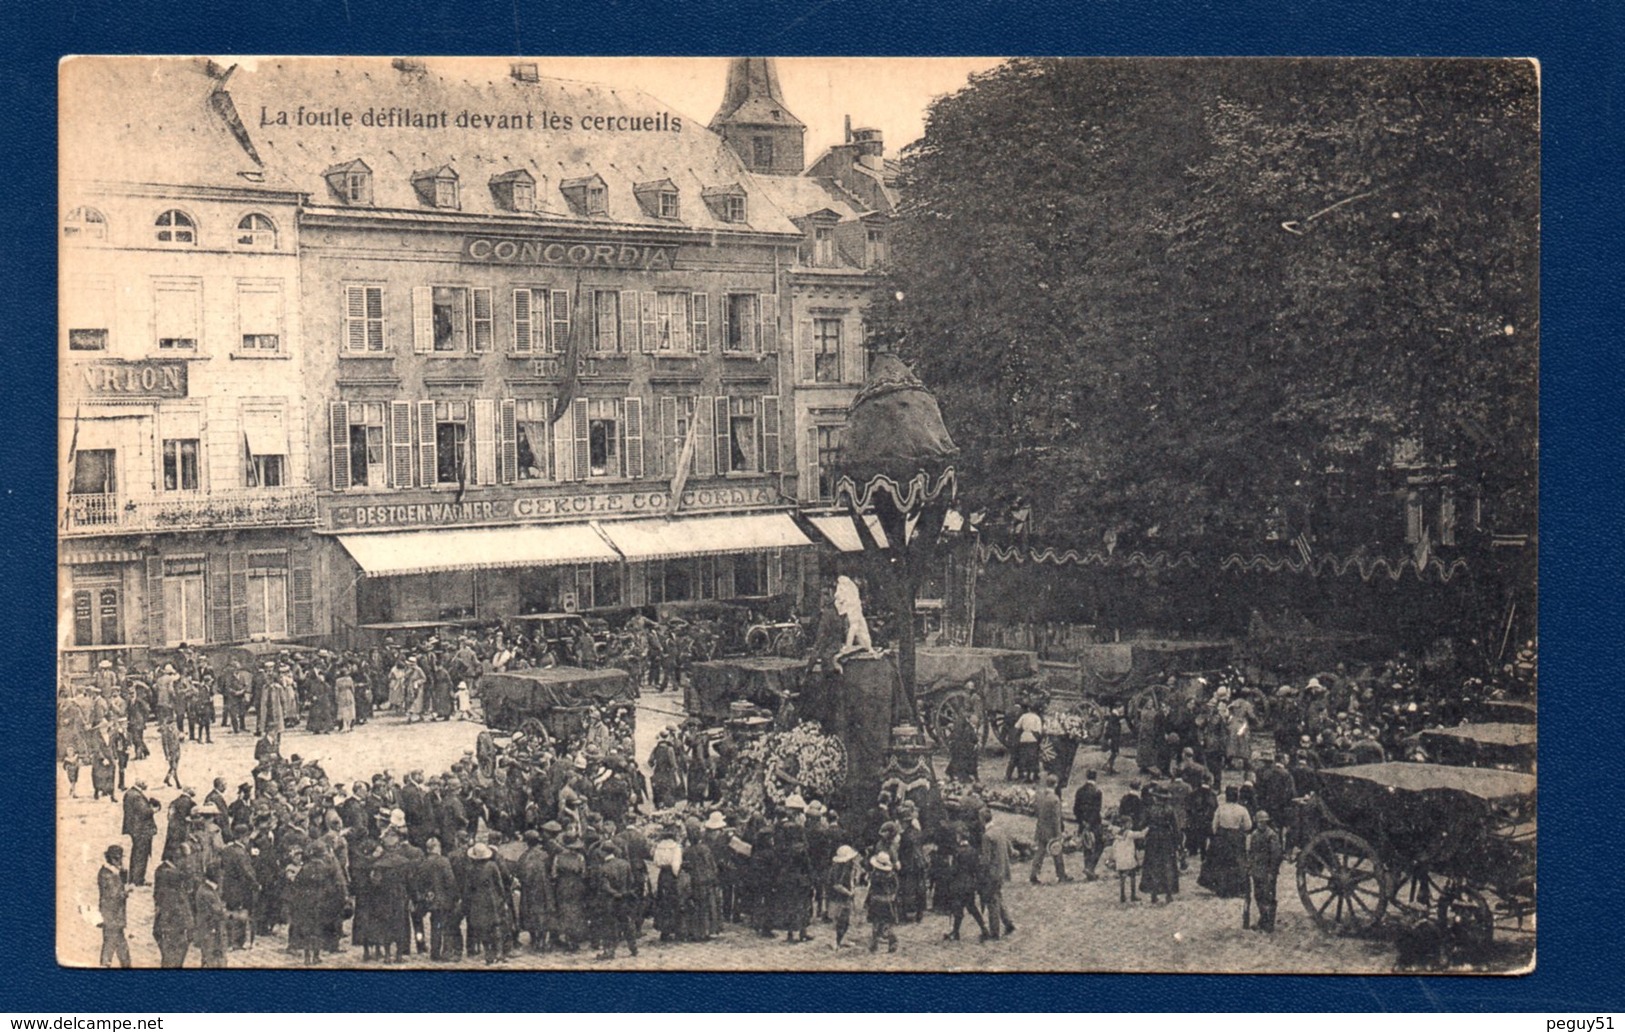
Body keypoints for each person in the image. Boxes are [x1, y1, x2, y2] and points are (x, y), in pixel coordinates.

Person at [1198, 784, 1254, 899]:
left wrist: (1217, 834)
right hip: (1236, 836)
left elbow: (1214, 825)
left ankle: (1221, 887)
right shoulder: (1242, 809)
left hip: (1222, 837)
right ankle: (1236, 888)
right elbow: (1248, 826)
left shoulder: (1221, 808)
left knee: (1221, 862)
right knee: (1237, 862)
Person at [1138, 785, 1182, 905]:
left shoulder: (1150, 809)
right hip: (1167, 837)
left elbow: (1142, 824)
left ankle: (1154, 894)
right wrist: (1178, 843)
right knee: (1167, 864)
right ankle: (1168, 894)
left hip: (1153, 838)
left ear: (1155, 798)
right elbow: (1176, 828)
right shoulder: (1170, 809)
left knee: (1153, 864)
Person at [942, 831, 989, 942]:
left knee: (958, 909)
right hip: (969, 883)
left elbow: (954, 870)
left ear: (960, 838)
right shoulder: (973, 851)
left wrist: (948, 870)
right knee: (972, 907)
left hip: (958, 884)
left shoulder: (957, 852)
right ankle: (983, 928)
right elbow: (977, 869)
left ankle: (956, 932)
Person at [977, 808, 1017, 939]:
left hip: (992, 874)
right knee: (998, 896)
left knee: (992, 901)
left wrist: (979, 867)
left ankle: (995, 932)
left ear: (982, 820)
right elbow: (1010, 849)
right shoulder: (999, 830)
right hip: (1002, 870)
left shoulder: (987, 836)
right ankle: (1008, 923)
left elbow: (986, 859)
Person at [1244, 810, 1285, 932]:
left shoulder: (1271, 835)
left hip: (1267, 871)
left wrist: (1272, 872)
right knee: (1258, 896)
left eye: (1264, 822)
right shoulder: (1255, 834)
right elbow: (1251, 852)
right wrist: (1249, 867)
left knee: (1269, 897)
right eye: (1260, 822)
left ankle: (1269, 924)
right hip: (1257, 870)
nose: (1262, 824)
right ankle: (1263, 920)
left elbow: (1276, 855)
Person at [151, 855, 194, 968]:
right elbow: (187, 917)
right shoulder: (179, 897)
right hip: (177, 935)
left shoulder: (162, 895)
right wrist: (190, 931)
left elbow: (156, 930)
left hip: (165, 933)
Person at [1029, 774, 1071, 884]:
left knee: (1040, 853)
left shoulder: (1040, 797)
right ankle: (1061, 875)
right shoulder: (1055, 799)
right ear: (1055, 784)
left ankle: (1034, 873)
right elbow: (1056, 819)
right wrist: (1059, 834)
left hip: (1041, 829)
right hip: (1052, 831)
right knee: (1057, 853)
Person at [97, 845, 132, 968]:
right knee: (110, 943)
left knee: (119, 944)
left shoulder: (109, 872)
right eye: (117, 859)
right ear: (111, 859)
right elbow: (115, 895)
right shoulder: (109, 875)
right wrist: (126, 892)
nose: (120, 861)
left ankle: (126, 965)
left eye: (120, 858)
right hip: (112, 915)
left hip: (114, 915)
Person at [121, 781, 158, 885]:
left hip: (135, 829)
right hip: (142, 830)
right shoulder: (137, 796)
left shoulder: (130, 793)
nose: (147, 784)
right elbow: (145, 812)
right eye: (145, 782)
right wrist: (154, 809)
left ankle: (134, 878)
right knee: (141, 855)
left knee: (137, 853)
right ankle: (138, 879)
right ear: (141, 783)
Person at [826, 844, 860, 949]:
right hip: (836, 897)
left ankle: (842, 939)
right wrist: (849, 893)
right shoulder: (837, 869)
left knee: (845, 920)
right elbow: (837, 885)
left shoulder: (849, 868)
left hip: (845, 897)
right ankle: (833, 941)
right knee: (836, 919)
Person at [1072, 770, 1104, 880]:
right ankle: (1091, 867)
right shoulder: (1097, 792)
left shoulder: (1080, 791)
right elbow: (1096, 810)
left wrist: (1082, 821)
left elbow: (1076, 809)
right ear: (1096, 777)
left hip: (1083, 822)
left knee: (1087, 845)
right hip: (1094, 823)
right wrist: (1090, 823)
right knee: (1100, 844)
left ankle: (1087, 866)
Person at [866, 851, 899, 954]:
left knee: (876, 923)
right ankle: (892, 942)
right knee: (888, 923)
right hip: (888, 901)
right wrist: (893, 895)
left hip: (876, 901)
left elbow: (871, 890)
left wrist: (867, 901)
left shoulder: (874, 876)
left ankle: (874, 945)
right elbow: (896, 886)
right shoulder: (892, 875)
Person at [194, 870, 228, 968]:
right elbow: (219, 912)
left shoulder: (205, 888)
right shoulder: (208, 893)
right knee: (213, 958)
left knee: (207, 956)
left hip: (207, 928)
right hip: (212, 929)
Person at [1112, 814, 1147, 903]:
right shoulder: (1129, 833)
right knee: (1132, 876)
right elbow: (1141, 835)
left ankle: (1122, 895)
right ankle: (1132, 895)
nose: (1131, 825)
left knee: (1122, 878)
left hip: (1120, 859)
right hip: (1128, 859)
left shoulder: (1118, 834)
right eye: (1130, 823)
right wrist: (1148, 828)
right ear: (1126, 824)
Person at [1012, 703, 1044, 783]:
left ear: (1029, 709)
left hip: (1024, 737)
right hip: (1033, 738)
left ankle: (1023, 775)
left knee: (1023, 757)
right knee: (1033, 758)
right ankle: (1033, 776)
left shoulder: (1024, 716)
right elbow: (1039, 731)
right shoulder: (1037, 718)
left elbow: (1016, 727)